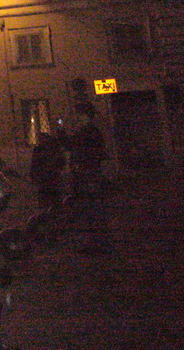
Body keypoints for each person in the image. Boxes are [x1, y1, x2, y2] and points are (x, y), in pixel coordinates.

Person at [68, 106, 114, 256]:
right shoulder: (85, 133)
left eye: (80, 117)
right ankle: (93, 242)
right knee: (88, 210)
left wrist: (82, 166)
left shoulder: (90, 133)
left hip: (89, 174)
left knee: (92, 209)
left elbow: (92, 153)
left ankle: (97, 243)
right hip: (85, 174)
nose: (78, 120)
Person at [29, 133, 66, 210]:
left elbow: (61, 162)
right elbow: (35, 164)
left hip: (52, 177)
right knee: (45, 199)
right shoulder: (39, 150)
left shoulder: (53, 149)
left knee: (53, 198)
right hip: (44, 178)